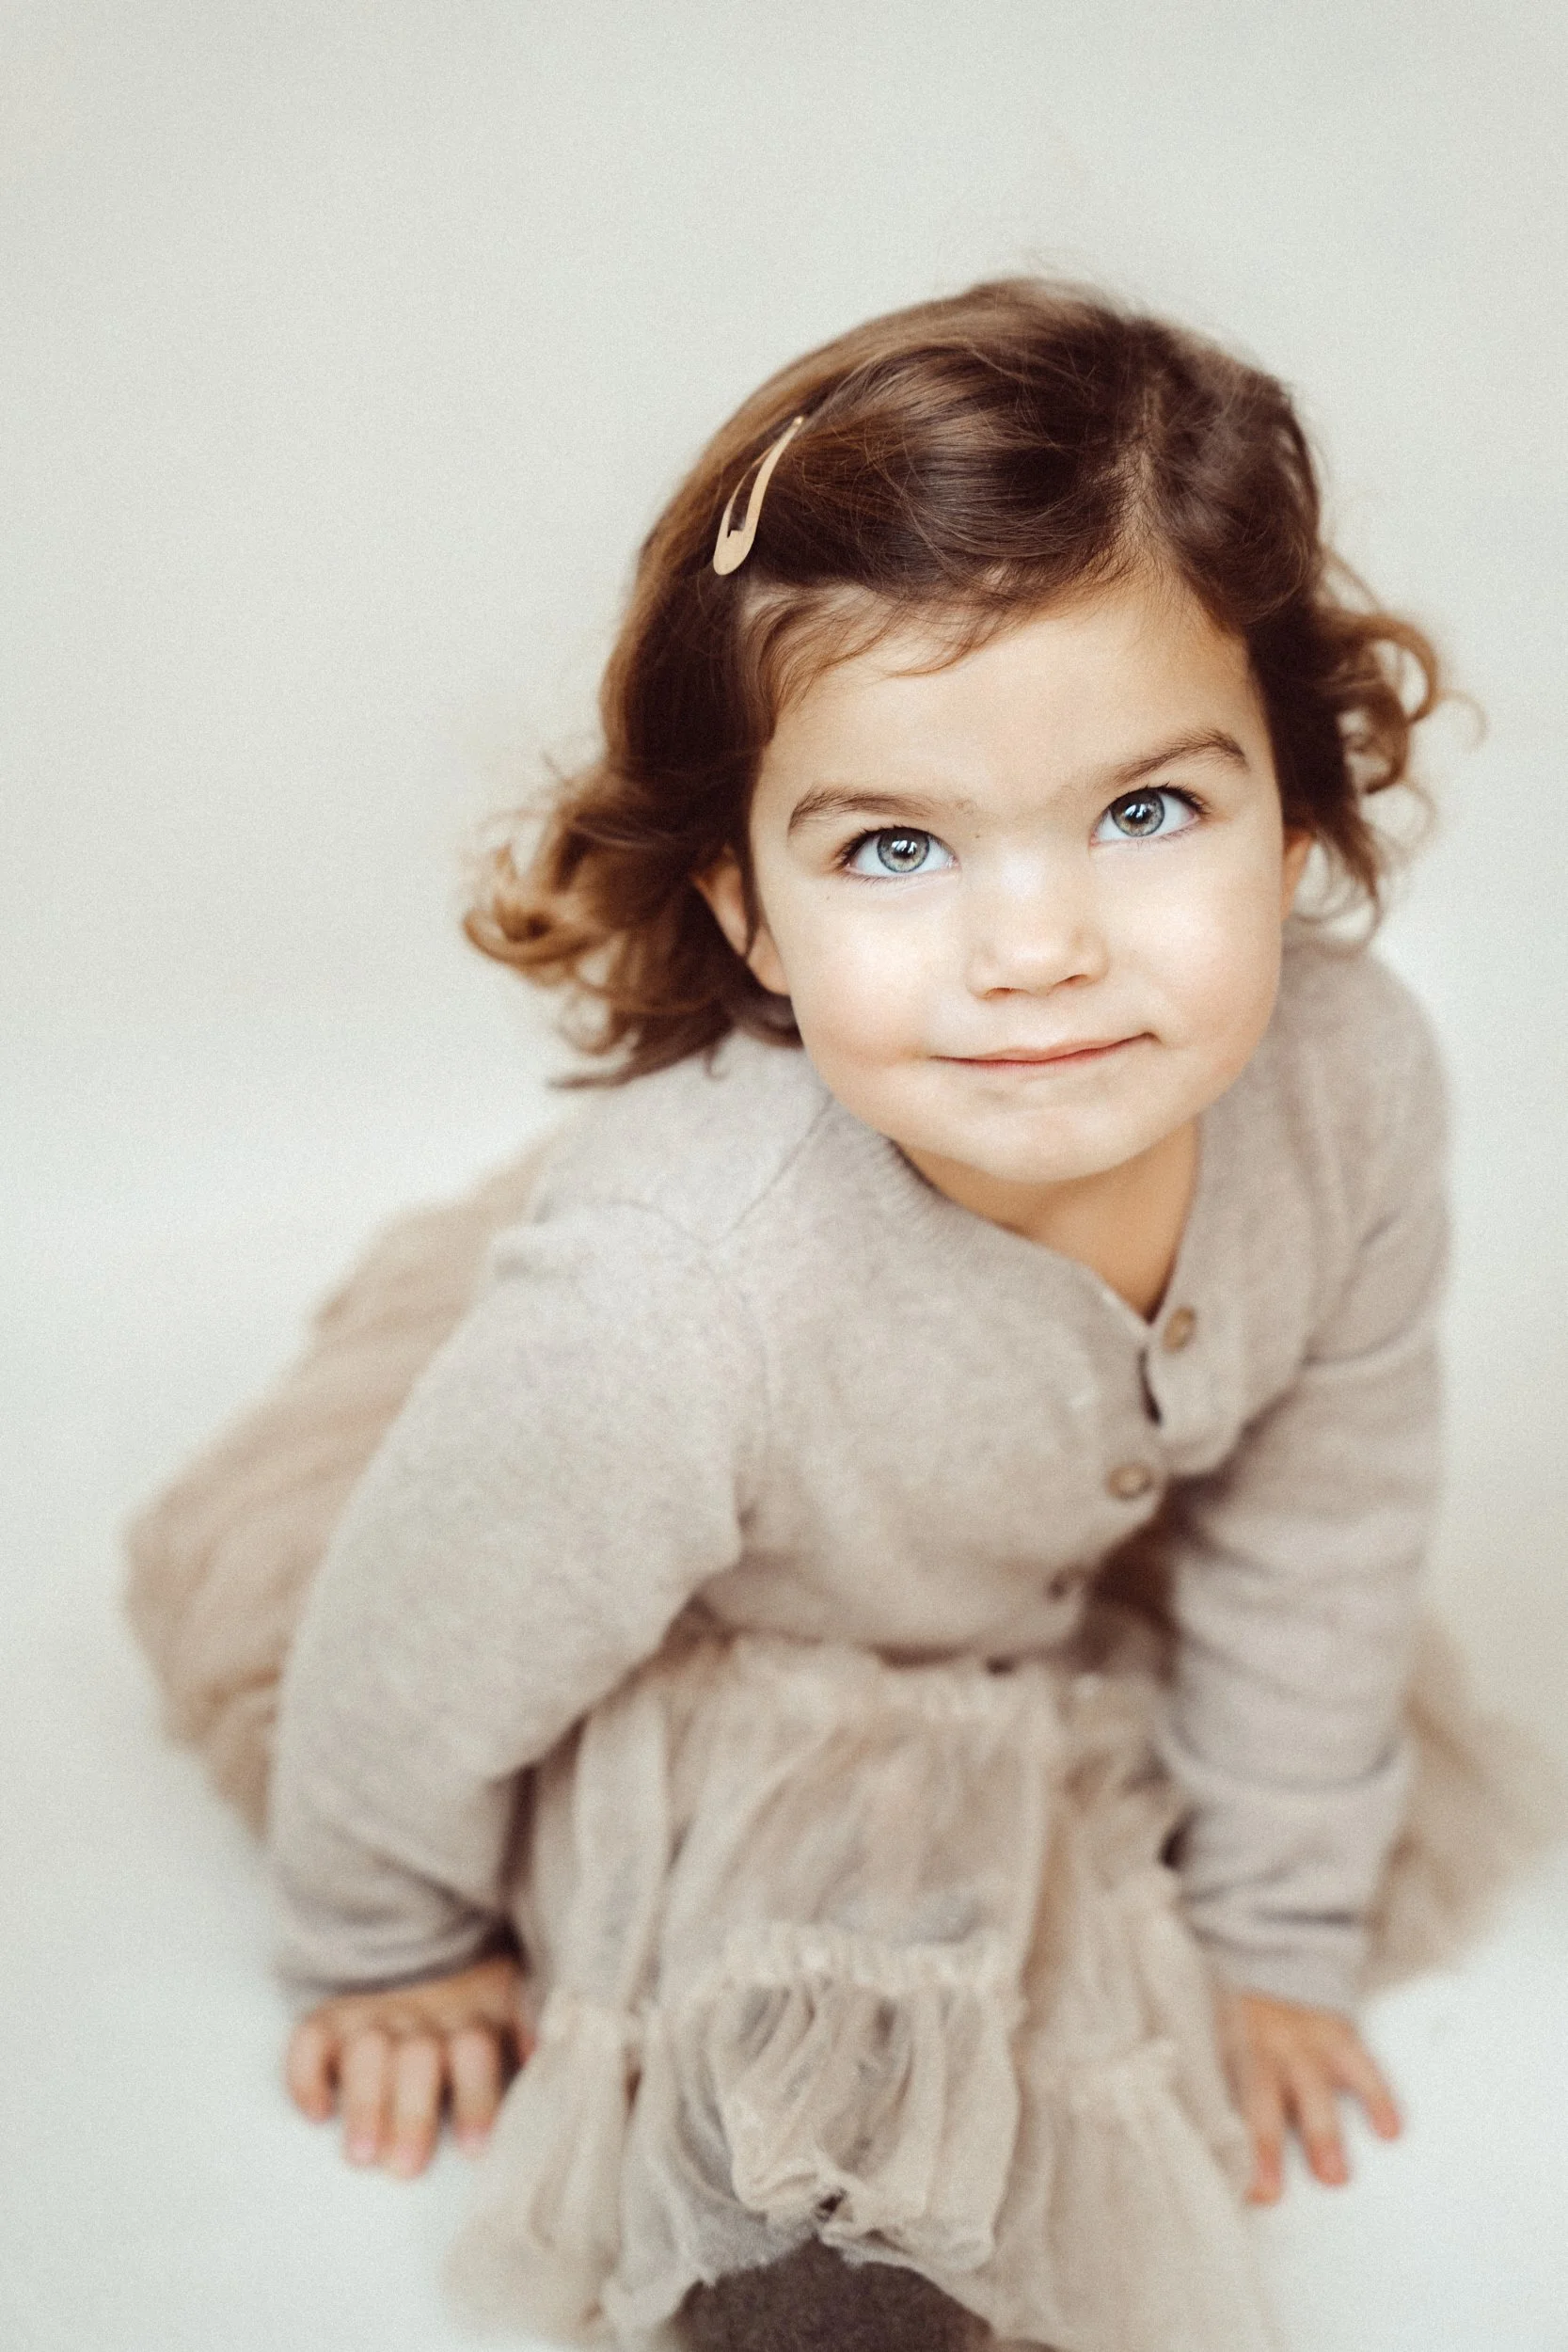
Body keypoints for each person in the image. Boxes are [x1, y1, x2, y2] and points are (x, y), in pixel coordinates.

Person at [124, 279, 1561, 2352]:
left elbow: (1318, 1514)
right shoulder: (664, 1313)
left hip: (1042, 1551)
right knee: (824, 1950)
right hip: (723, 1619)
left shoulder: (1345, 1084)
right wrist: (384, 1942)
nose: (1037, 943)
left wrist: (1273, 1923)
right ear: (745, 909)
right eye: (893, 845)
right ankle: (822, 2275)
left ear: (1298, 799)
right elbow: (415, 1649)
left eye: (1146, 808)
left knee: (1174, 1800)